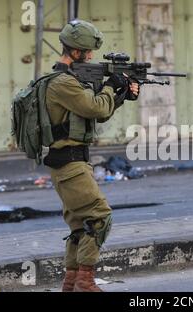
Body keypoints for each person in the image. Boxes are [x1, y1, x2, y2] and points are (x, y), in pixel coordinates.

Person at [43, 19, 139, 292]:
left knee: (79, 226)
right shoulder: (62, 83)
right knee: (99, 217)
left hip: (72, 162)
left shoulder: (69, 81)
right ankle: (86, 281)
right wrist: (111, 86)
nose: (92, 57)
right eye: (88, 53)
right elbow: (95, 107)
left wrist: (119, 94)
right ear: (75, 53)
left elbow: (97, 111)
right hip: (70, 163)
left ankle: (72, 282)